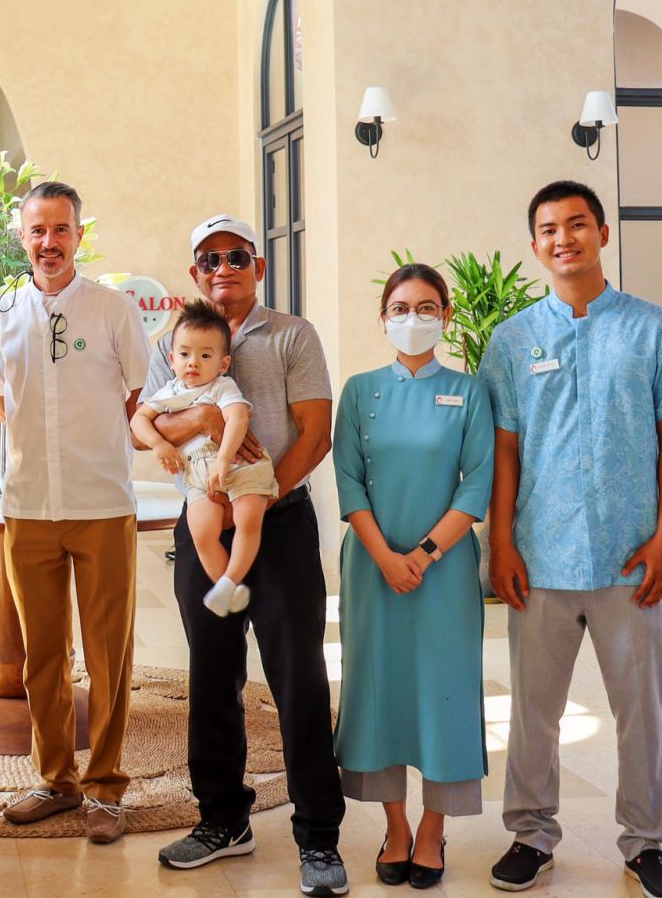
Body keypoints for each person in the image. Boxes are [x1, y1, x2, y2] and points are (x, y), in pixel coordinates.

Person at [479, 180, 662, 898]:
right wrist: (500, 543)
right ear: (535, 245)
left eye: (577, 224)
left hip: (630, 558)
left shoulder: (653, 328)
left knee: (641, 713)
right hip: (539, 557)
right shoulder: (512, 339)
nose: (564, 238)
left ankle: (646, 842)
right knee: (533, 711)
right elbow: (504, 450)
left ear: (602, 234)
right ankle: (530, 833)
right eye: (549, 229)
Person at [146, 214, 347, 897]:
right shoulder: (172, 340)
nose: (223, 268)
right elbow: (147, 424)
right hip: (203, 518)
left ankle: (318, 835)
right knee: (211, 674)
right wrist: (204, 419)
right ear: (195, 272)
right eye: (209, 259)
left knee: (298, 679)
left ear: (257, 266)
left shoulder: (292, 334)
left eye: (236, 256)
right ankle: (222, 821)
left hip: (276, 521)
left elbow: (315, 433)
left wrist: (257, 496)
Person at [0, 181, 149, 844]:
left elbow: (138, 394)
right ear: (22, 237)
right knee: (42, 656)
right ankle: (55, 780)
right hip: (29, 506)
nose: (49, 242)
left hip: (101, 503)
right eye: (37, 230)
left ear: (79, 235)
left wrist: (93, 447)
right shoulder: (0, 314)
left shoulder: (113, 309)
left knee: (108, 655)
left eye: (61, 229)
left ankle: (105, 787)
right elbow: (1, 399)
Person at [333, 263, 493, 891]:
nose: (413, 318)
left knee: (445, 692)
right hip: (372, 568)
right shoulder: (359, 391)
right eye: (400, 308)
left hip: (443, 573)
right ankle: (395, 827)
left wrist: (422, 555)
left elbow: (477, 486)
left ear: (445, 317)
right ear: (383, 318)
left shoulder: (470, 392)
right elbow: (349, 481)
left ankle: (432, 830)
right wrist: (385, 556)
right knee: (378, 692)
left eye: (427, 307)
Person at [133, 299, 278, 617]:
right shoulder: (169, 392)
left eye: (205, 355)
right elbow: (138, 420)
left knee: (248, 519)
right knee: (201, 531)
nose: (193, 363)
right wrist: (158, 444)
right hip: (196, 475)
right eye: (185, 354)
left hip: (239, 464)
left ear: (223, 363)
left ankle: (231, 579)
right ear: (172, 359)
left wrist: (224, 459)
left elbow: (237, 418)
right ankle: (227, 588)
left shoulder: (222, 387)